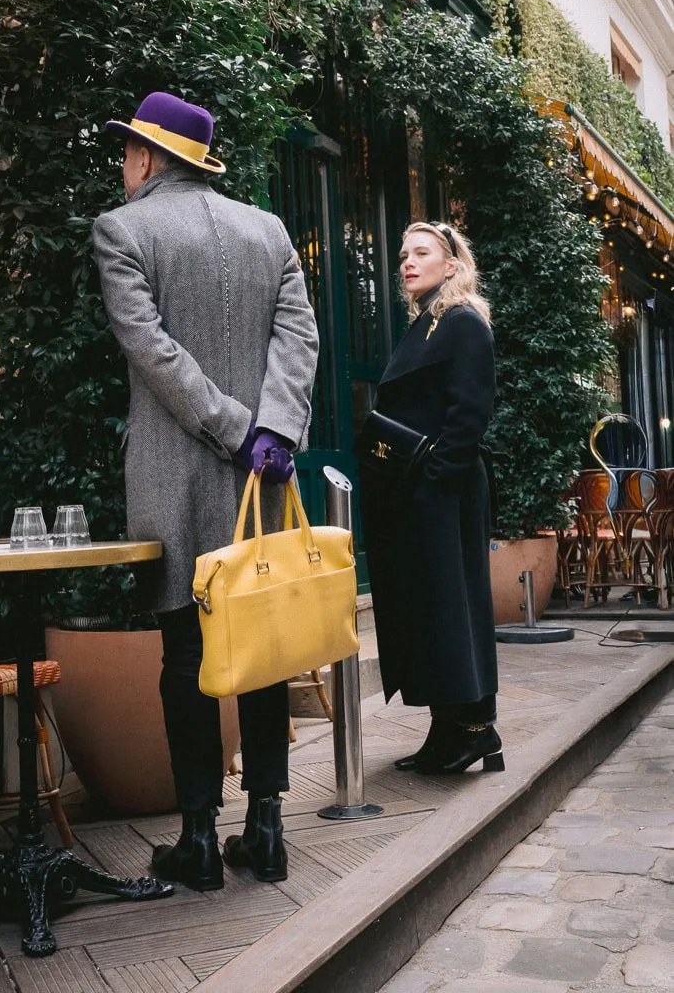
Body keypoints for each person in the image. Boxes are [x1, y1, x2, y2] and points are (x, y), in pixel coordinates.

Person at [93, 91, 319, 891]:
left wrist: (229, 425)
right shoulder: (270, 232)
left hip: (174, 472)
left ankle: (197, 839)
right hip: (262, 476)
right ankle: (266, 829)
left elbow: (149, 350)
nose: (121, 167)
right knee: (262, 646)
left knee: (184, 652)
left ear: (149, 158)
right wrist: (273, 431)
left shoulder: (122, 230)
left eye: (126, 153)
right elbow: (300, 337)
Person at [359, 220, 500, 775]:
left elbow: (469, 414)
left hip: (447, 490)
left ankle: (472, 731)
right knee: (436, 610)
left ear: (451, 263)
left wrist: (433, 481)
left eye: (422, 253)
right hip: (424, 491)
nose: (408, 263)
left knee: (452, 608)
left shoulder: (463, 323)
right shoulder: (428, 323)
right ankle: (451, 731)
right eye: (403, 255)